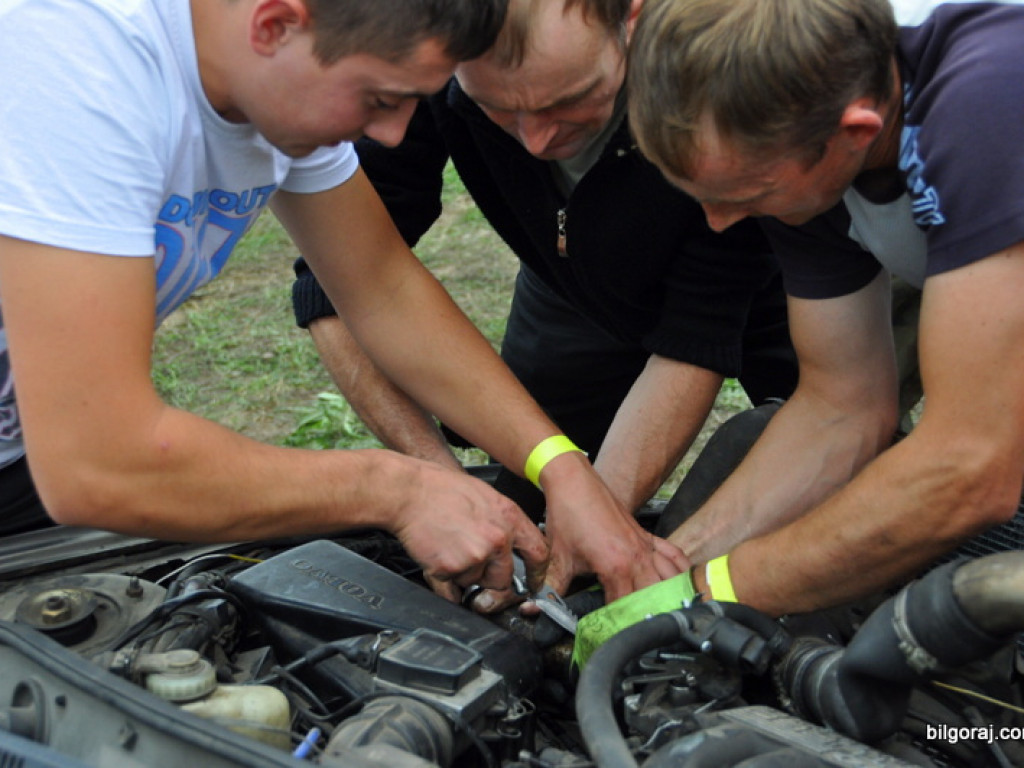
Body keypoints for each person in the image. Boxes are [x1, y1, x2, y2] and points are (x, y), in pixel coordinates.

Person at [0, 0, 691, 607]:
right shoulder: (71, 63)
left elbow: (380, 286)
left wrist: (562, 469)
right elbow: (95, 460)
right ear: (275, 23)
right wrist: (396, 489)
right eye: (380, 99)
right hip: (54, 462)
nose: (390, 135)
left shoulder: (271, 73)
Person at [290, 0, 799, 600]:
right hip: (570, 288)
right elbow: (338, 282)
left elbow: (696, 335)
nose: (535, 141)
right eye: (499, 110)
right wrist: (446, 488)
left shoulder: (717, 72)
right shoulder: (441, 55)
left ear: (632, 19)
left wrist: (594, 530)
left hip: (783, 287)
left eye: (567, 101)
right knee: (527, 494)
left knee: (810, 488)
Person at [626, 0, 1024, 615]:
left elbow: (970, 465)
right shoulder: (803, 139)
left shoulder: (991, 96)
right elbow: (842, 406)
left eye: (746, 196)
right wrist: (667, 571)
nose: (719, 223)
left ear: (855, 133)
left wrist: (716, 592)